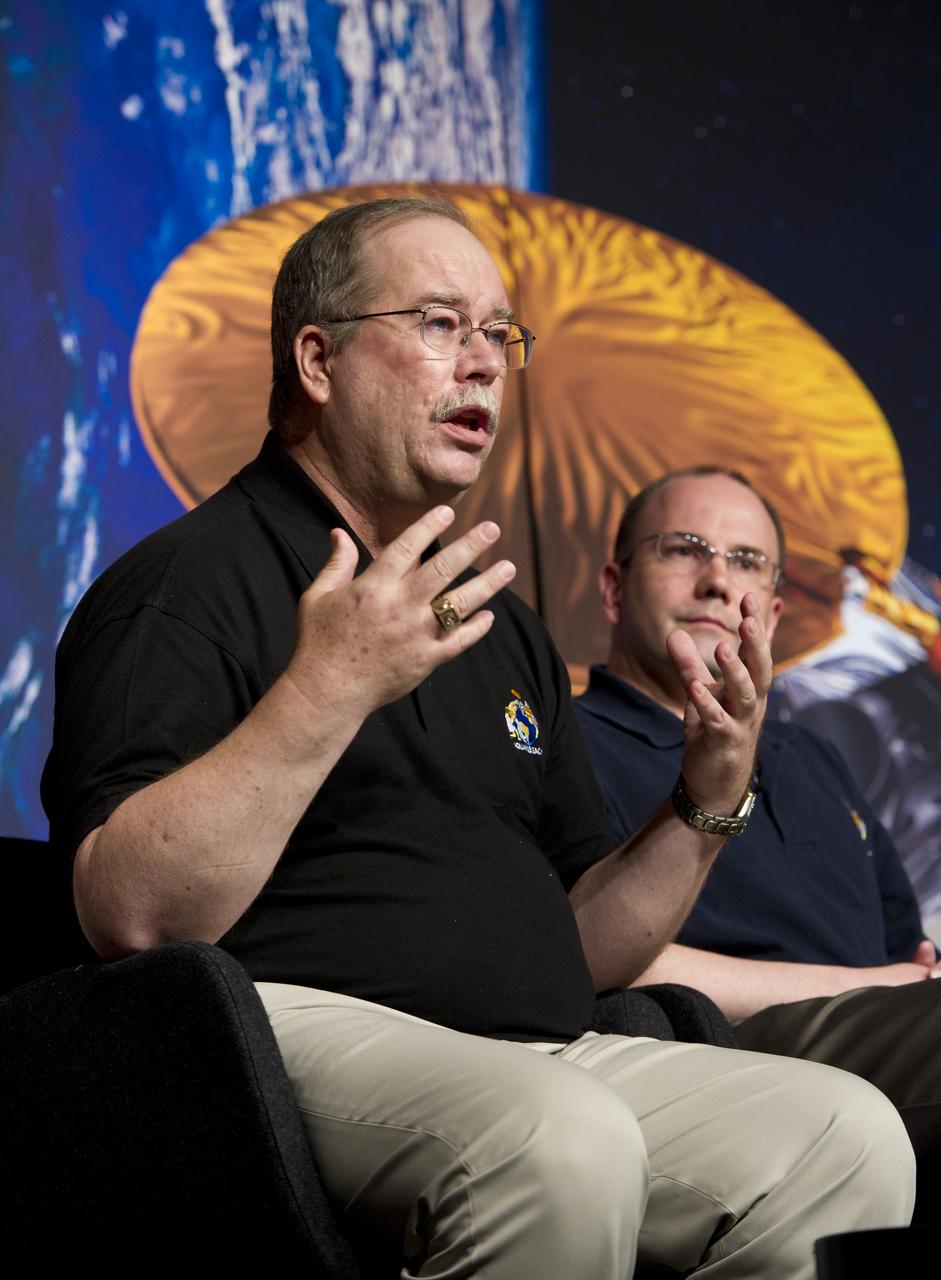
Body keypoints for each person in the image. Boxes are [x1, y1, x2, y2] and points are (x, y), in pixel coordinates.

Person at [42, 199, 914, 1279]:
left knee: (840, 1137)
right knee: (562, 1140)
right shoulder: (182, 587)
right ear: (317, 359)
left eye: (499, 335)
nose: (486, 365)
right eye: (440, 324)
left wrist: (708, 791)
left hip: (527, 1050)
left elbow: (582, 944)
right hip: (262, 1040)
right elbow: (128, 911)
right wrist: (328, 687)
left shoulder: (503, 630)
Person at [574, 465, 941, 1220]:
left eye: (744, 561)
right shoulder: (564, 739)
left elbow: (906, 960)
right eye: (683, 549)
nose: (715, 580)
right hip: (709, 1056)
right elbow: (587, 957)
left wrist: (893, 989)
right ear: (612, 588)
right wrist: (866, 990)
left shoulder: (816, 756)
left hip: (887, 1037)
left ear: (771, 613)